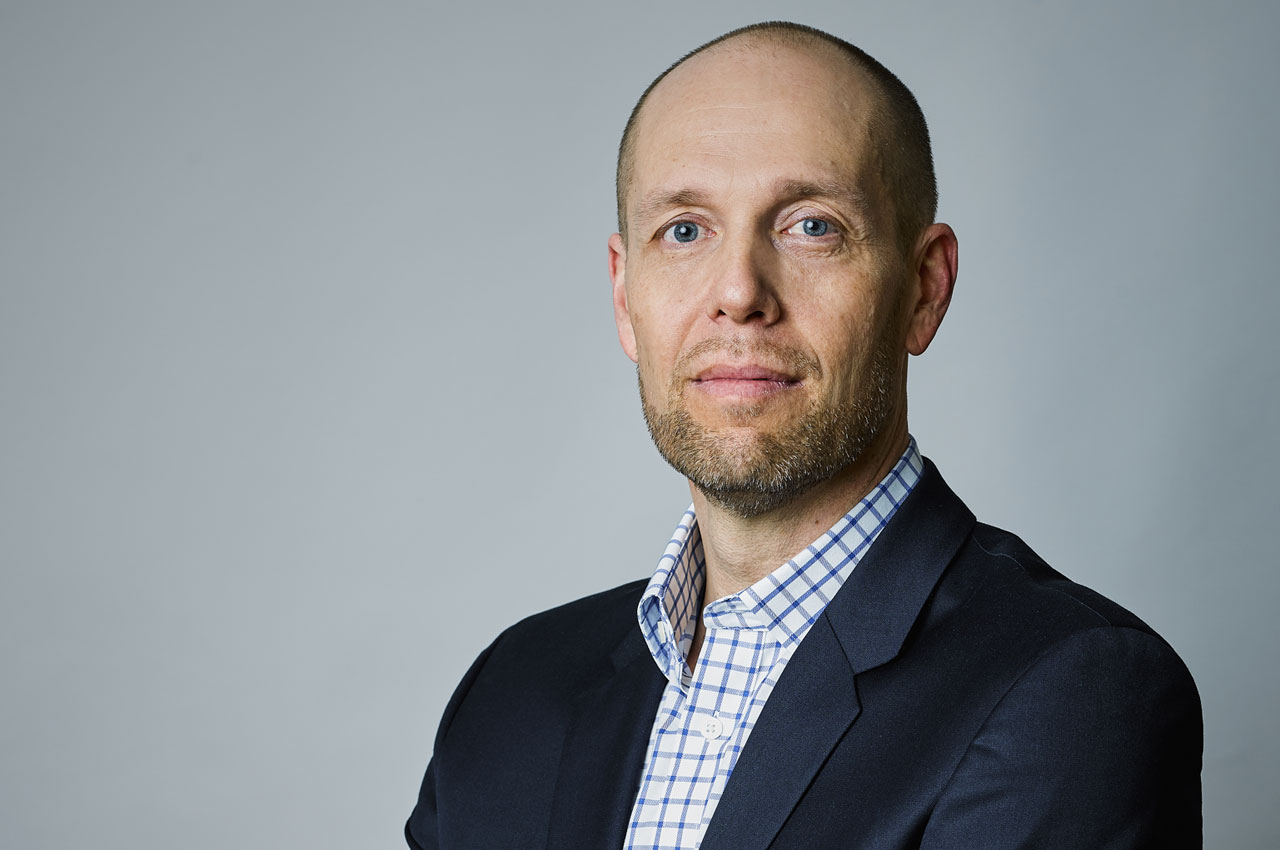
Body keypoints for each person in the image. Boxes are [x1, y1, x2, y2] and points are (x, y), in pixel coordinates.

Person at [405, 21, 1202, 850]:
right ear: (624, 295)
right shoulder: (514, 689)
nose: (739, 292)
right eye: (685, 230)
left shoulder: (1071, 693)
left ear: (924, 289)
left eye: (811, 226)